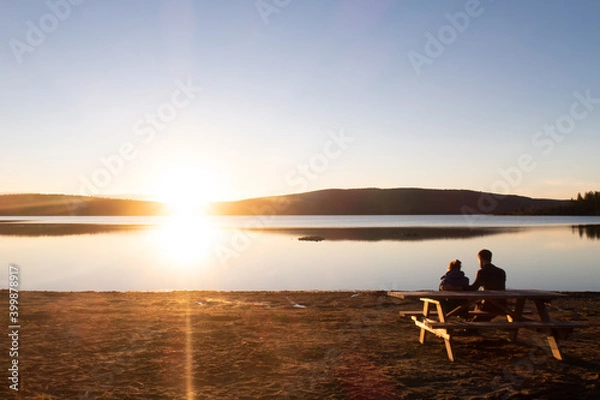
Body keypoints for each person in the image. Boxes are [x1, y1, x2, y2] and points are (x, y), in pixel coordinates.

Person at [468, 249, 506, 321]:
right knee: (479, 305)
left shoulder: (481, 272)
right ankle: (473, 324)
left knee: (479, 305)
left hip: (488, 306)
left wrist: (460, 287)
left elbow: (473, 288)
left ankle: (472, 325)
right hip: (502, 305)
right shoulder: (501, 271)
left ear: (480, 259)